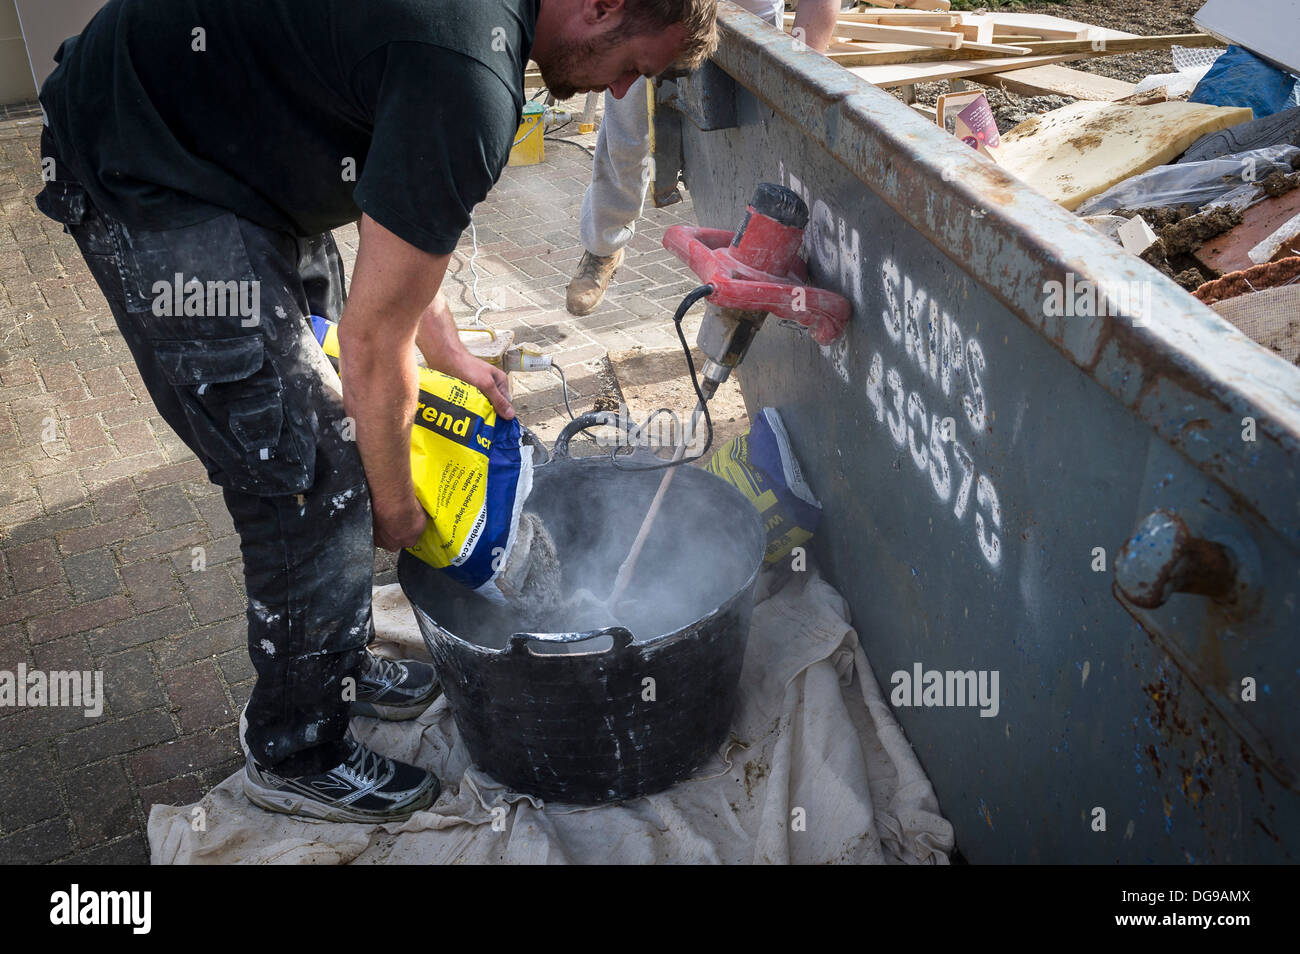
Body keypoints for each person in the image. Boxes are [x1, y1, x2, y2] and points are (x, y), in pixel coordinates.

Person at [35, 0, 717, 824]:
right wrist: (392, 508)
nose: (619, 92)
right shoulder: (470, 72)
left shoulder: (467, 45)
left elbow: (390, 202)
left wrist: (451, 355)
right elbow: (369, 344)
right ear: (603, 5)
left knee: (352, 429)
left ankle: (337, 663)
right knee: (313, 472)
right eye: (634, 67)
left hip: (237, 149)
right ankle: (295, 749)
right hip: (151, 162)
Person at [566, 0, 840, 315]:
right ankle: (604, 246)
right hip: (654, 12)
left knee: (750, 137)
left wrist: (801, 71)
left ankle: (743, 262)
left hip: (747, 17)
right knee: (627, 128)